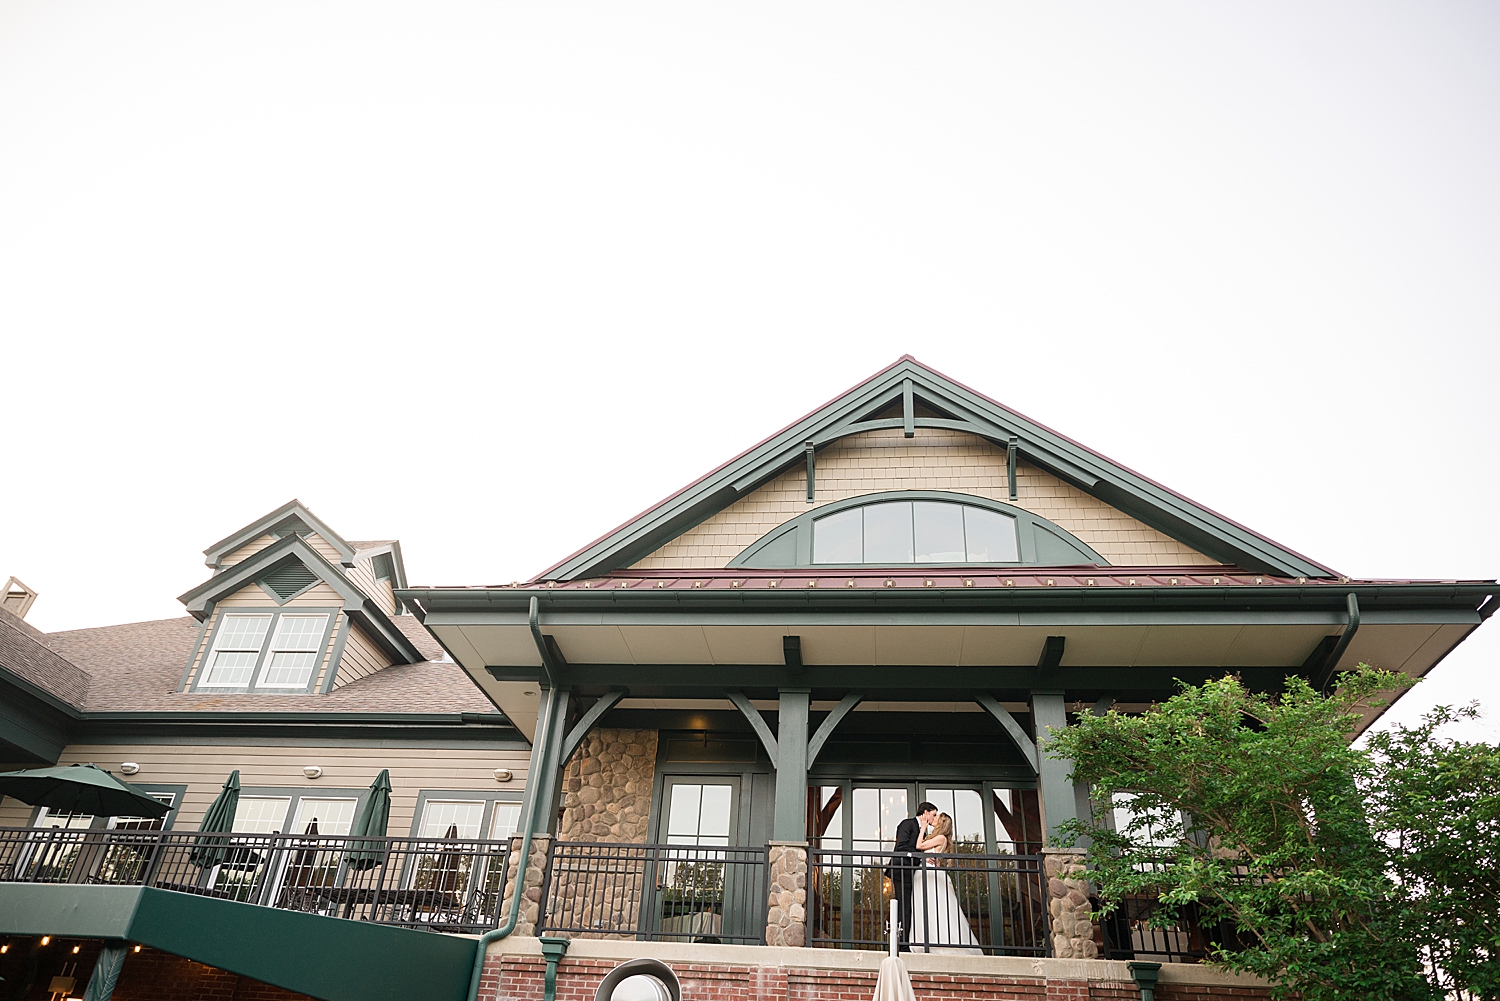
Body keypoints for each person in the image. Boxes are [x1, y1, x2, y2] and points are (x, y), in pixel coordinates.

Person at [907, 812, 983, 955]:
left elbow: (919, 845)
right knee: (926, 908)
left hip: (928, 874)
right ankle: (925, 940)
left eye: (936, 818)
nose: (933, 819)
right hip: (925, 873)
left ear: (941, 823)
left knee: (936, 909)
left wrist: (923, 827)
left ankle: (940, 943)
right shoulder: (938, 838)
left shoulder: (941, 838)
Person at [888, 802, 937, 951]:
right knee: (904, 906)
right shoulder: (907, 824)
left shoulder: (923, 831)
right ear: (926, 812)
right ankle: (902, 946)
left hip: (911, 872)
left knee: (906, 906)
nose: (934, 819)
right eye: (933, 815)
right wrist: (921, 856)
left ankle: (900, 941)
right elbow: (901, 846)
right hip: (902, 870)